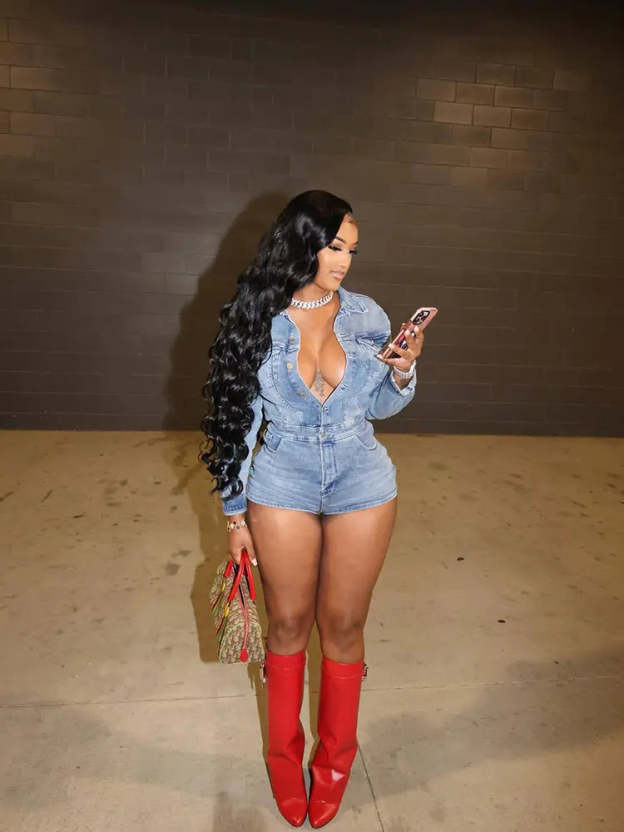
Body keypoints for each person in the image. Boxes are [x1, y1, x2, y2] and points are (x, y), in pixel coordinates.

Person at [200, 190, 424, 828]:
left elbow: (379, 406)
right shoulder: (258, 316)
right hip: (283, 480)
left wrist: (403, 373)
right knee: (289, 622)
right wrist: (235, 515)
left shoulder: (367, 315)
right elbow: (237, 422)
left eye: (352, 249)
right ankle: (282, 761)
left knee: (345, 625)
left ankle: (334, 765)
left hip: (361, 479)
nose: (344, 261)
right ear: (301, 243)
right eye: (334, 246)